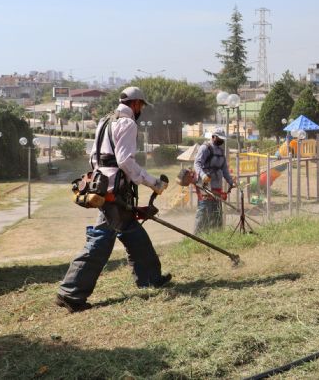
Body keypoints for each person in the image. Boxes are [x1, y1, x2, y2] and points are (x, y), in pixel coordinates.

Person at [56, 87, 170, 313]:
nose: (141, 110)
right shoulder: (127, 124)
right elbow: (125, 161)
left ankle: (150, 278)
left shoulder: (105, 121)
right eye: (142, 106)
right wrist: (152, 182)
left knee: (132, 233)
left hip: (103, 184)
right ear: (136, 104)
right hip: (113, 191)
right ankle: (70, 293)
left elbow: (94, 157)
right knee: (100, 241)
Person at [193, 127, 234, 234]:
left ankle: (216, 234)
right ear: (213, 137)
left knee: (217, 211)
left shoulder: (221, 151)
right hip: (205, 184)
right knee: (204, 210)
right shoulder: (205, 148)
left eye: (223, 139)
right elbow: (197, 164)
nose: (221, 140)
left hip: (217, 185)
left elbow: (224, 169)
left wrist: (230, 181)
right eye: (219, 138)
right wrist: (202, 175)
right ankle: (197, 235)